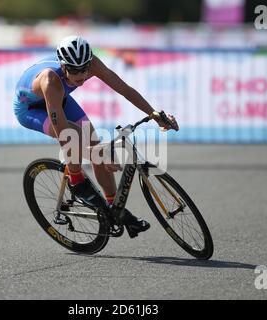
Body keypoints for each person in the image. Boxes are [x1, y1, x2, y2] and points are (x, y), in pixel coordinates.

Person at [13, 35, 179, 236]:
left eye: (84, 69)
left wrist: (154, 114)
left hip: (60, 99)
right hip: (30, 109)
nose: (82, 76)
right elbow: (65, 137)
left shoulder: (92, 64)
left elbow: (124, 89)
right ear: (64, 66)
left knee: (95, 144)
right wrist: (96, 155)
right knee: (75, 136)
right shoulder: (50, 80)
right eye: (75, 71)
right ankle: (76, 181)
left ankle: (114, 209)